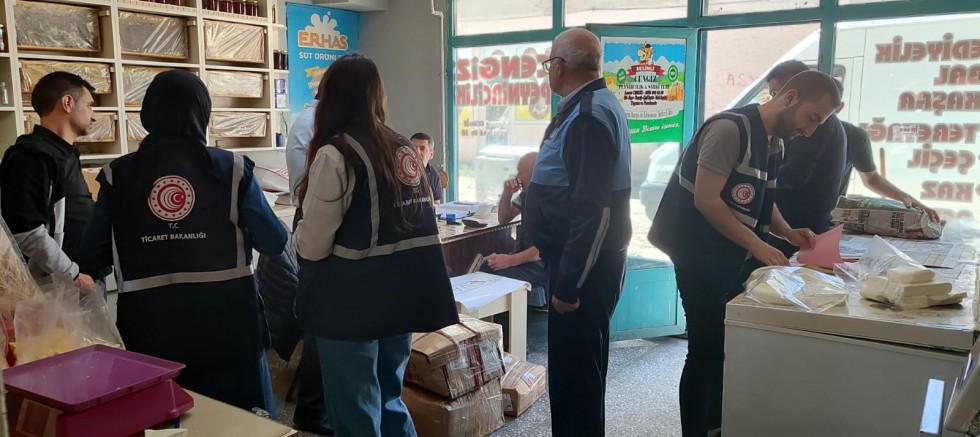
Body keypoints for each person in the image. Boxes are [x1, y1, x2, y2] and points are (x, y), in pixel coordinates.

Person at [78, 70, 287, 412]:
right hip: (229, 324)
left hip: (149, 328)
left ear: (148, 114)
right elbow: (274, 241)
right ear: (203, 113)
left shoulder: (118, 174)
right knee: (242, 421)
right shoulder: (232, 168)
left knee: (165, 419)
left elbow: (92, 255)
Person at [649, 70, 841, 437]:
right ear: (790, 98)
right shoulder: (728, 130)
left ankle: (717, 426)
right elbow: (706, 200)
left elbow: (765, 199)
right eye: (812, 118)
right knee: (705, 349)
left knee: (725, 346)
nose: (810, 130)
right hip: (696, 253)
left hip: (728, 254)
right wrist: (757, 244)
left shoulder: (774, 142)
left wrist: (787, 231)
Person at [293, 53, 459, 437]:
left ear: (331, 98)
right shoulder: (402, 147)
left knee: (355, 408)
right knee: (389, 397)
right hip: (400, 298)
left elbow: (313, 245)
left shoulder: (337, 153)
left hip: (351, 302)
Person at [522, 28, 632, 436]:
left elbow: (593, 210)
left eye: (548, 62)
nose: (548, 71)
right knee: (580, 375)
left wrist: (568, 284)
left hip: (583, 269)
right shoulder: (589, 105)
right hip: (584, 262)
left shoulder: (587, 117)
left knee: (575, 382)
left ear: (560, 66)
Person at [0, 71, 100, 293]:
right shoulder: (32, 157)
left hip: (80, 282)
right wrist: (73, 274)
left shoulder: (63, 153)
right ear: (67, 103)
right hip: (61, 289)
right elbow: (26, 231)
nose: (94, 116)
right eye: (90, 105)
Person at [279, 70, 331, 436]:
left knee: (325, 317)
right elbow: (311, 189)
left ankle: (317, 405)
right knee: (321, 318)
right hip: (316, 219)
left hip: (318, 216)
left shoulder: (320, 122)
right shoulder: (311, 124)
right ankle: (312, 408)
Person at [767, 60, 847, 245]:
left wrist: (758, 180)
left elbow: (794, 175)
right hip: (799, 225)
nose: (772, 102)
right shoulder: (822, 120)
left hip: (797, 226)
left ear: (791, 94)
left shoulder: (809, 122)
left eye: (775, 94)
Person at [837, 94, 941, 223]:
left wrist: (915, 203)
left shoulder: (853, 136)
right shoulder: (809, 132)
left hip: (828, 219)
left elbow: (872, 179)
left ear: (839, 107)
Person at [481, 151, 545, 290]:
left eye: (520, 172)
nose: (517, 177)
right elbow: (504, 219)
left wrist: (510, 260)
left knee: (499, 278)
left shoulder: (549, 200)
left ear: (534, 173)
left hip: (541, 263)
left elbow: (542, 249)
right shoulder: (525, 195)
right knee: (485, 268)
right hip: (522, 256)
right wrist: (507, 194)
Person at [410, 132, 442, 204]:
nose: (417, 152)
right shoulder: (398, 173)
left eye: (422, 148)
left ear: (431, 154)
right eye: (413, 148)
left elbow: (437, 203)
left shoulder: (433, 174)